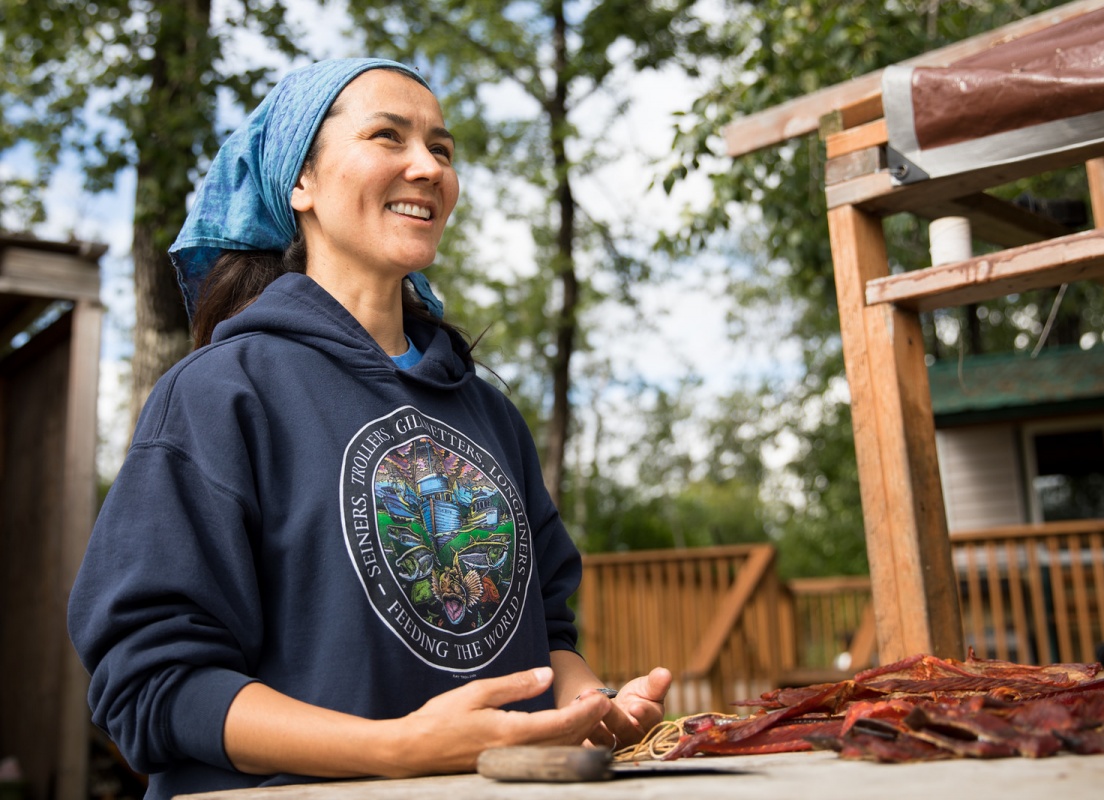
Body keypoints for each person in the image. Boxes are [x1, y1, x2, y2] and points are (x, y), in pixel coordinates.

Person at [67, 57, 671, 799]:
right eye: (388, 136)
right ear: (302, 183)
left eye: (442, 150)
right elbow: (151, 683)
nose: (427, 167)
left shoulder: (489, 413)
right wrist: (396, 749)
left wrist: (586, 707)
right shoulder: (220, 395)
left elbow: (547, 633)